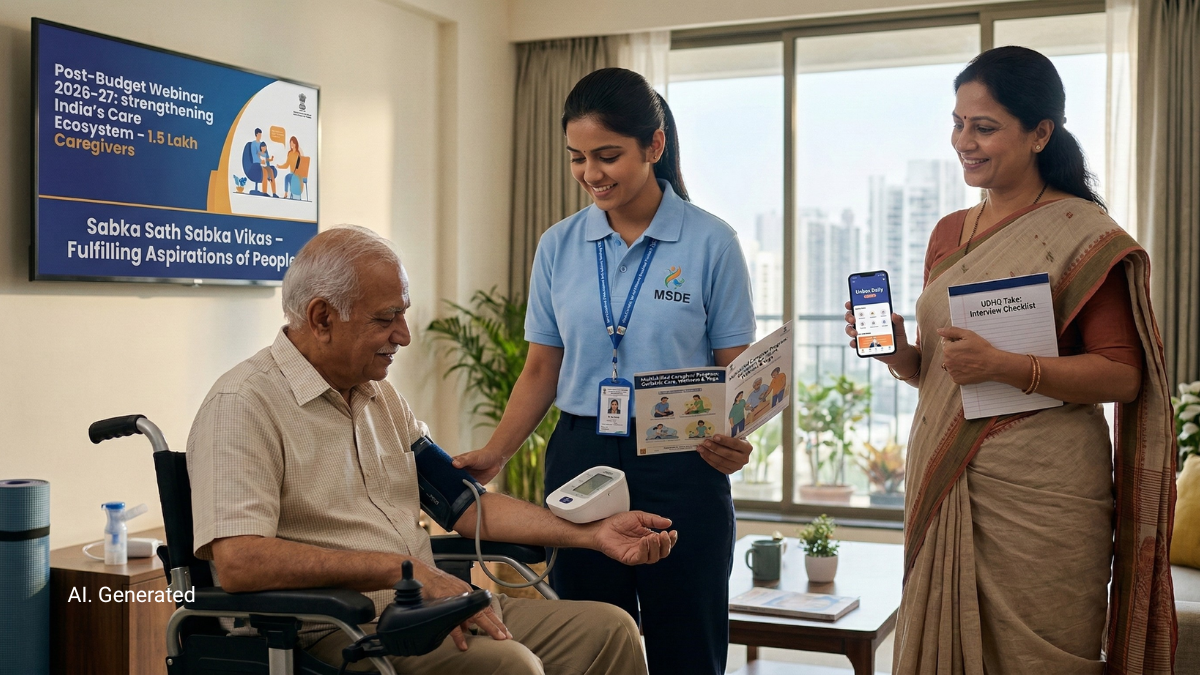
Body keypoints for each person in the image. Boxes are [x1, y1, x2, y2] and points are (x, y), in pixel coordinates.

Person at [188, 226, 679, 675]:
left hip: (426, 611)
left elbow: (466, 504)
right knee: (511, 666)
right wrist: (402, 572)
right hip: (339, 633)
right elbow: (239, 560)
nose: (403, 335)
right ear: (321, 317)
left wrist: (595, 534)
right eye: (386, 319)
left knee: (612, 630)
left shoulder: (380, 397)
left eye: (402, 314)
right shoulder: (244, 403)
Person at [845, 47, 1175, 673]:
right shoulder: (949, 232)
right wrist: (900, 354)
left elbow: (1124, 375)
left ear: (1040, 133)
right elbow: (943, 375)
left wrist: (1006, 366)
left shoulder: (1082, 232)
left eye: (985, 127)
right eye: (958, 123)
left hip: (1044, 490)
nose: (964, 141)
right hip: (948, 473)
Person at [452, 67, 756, 675]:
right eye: (577, 158)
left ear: (655, 146)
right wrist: (496, 452)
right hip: (582, 455)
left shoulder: (710, 243)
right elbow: (542, 366)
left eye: (608, 155)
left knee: (686, 640)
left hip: (683, 458)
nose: (592, 174)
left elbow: (738, 373)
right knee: (589, 635)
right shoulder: (558, 246)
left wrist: (739, 440)